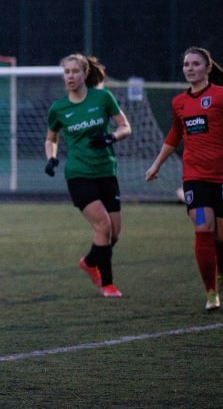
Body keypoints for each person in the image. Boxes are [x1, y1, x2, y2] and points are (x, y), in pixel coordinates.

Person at [146, 47, 223, 312]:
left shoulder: (222, 96)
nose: (189, 68)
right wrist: (156, 164)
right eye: (186, 64)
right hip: (195, 179)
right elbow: (174, 135)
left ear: (208, 68)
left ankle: (222, 274)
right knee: (203, 227)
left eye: (195, 64)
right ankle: (211, 292)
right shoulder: (179, 102)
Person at [45, 53, 132, 298]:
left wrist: (110, 137)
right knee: (103, 225)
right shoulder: (58, 108)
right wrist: (51, 158)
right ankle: (108, 284)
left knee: (113, 233)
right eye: (66, 72)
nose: (70, 76)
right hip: (78, 174)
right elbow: (51, 139)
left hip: (105, 171)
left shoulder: (103, 98)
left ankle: (89, 261)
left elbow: (125, 126)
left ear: (84, 74)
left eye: (74, 71)